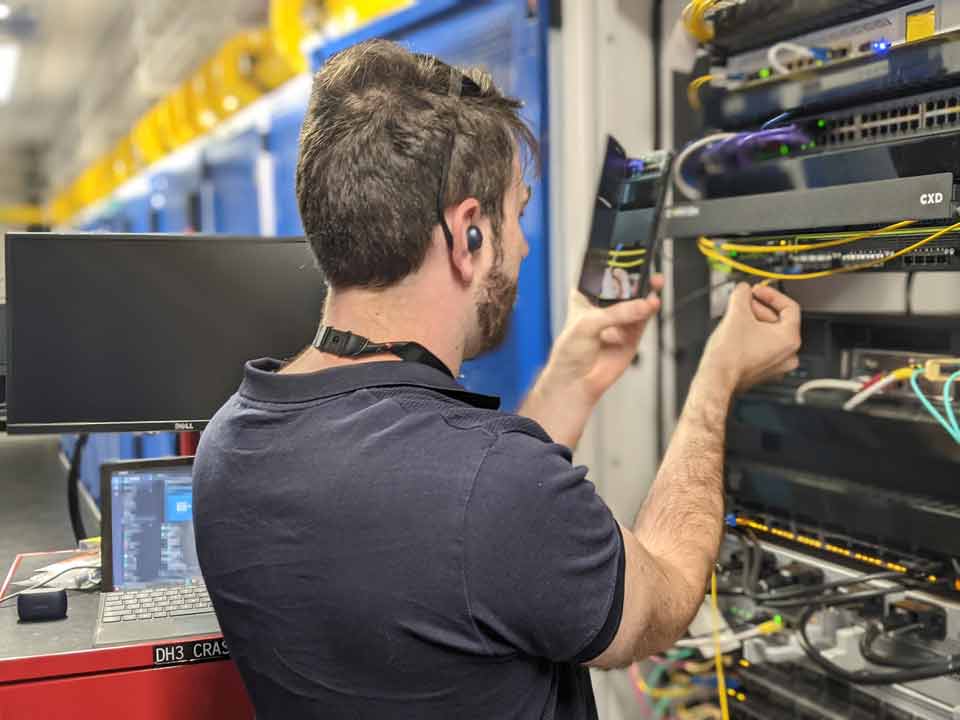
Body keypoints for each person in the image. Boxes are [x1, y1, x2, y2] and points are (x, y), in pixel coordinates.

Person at [194, 39, 801, 720]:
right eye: (517, 213)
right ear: (468, 234)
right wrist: (716, 382)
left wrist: (573, 377)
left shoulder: (230, 442)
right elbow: (663, 604)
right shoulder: (493, 486)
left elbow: (440, 536)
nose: (524, 245)